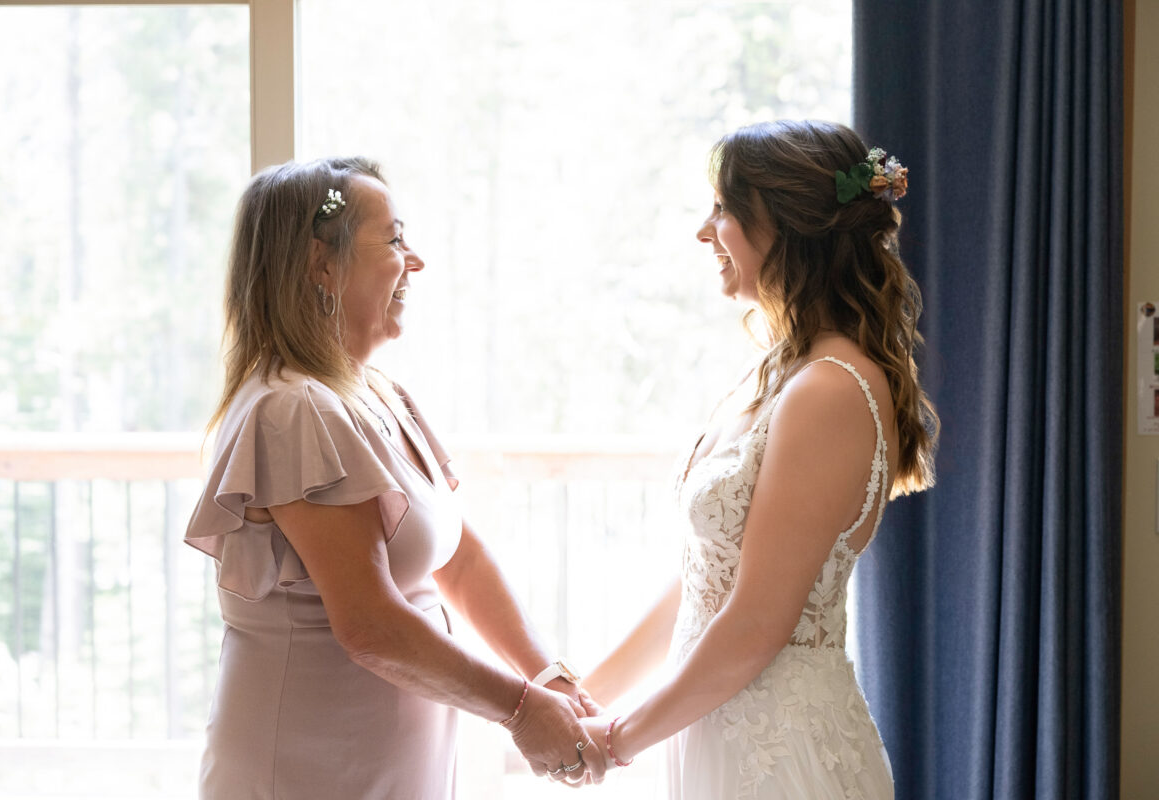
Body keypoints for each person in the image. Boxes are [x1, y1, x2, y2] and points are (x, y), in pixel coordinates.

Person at [184, 157, 603, 798]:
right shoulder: (293, 410)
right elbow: (371, 624)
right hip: (310, 765)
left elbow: (457, 558)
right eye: (396, 239)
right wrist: (520, 710)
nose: (417, 261)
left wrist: (547, 676)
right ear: (322, 265)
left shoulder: (378, 393)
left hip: (389, 763)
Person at [576, 120, 938, 799]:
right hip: (718, 732)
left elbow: (753, 626)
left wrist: (616, 742)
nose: (704, 230)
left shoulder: (829, 389)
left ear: (784, 226)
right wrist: (586, 698)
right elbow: (701, 585)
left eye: (722, 208)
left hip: (782, 754)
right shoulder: (776, 373)